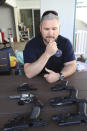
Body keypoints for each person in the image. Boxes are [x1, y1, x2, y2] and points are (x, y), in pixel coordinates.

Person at [23, 10, 76, 83]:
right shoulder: (31, 44)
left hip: (60, 80)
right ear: (40, 28)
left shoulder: (65, 43)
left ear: (59, 28)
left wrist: (59, 76)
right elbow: (29, 73)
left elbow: (71, 65)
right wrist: (47, 54)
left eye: (54, 29)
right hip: (36, 82)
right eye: (46, 29)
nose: (50, 33)